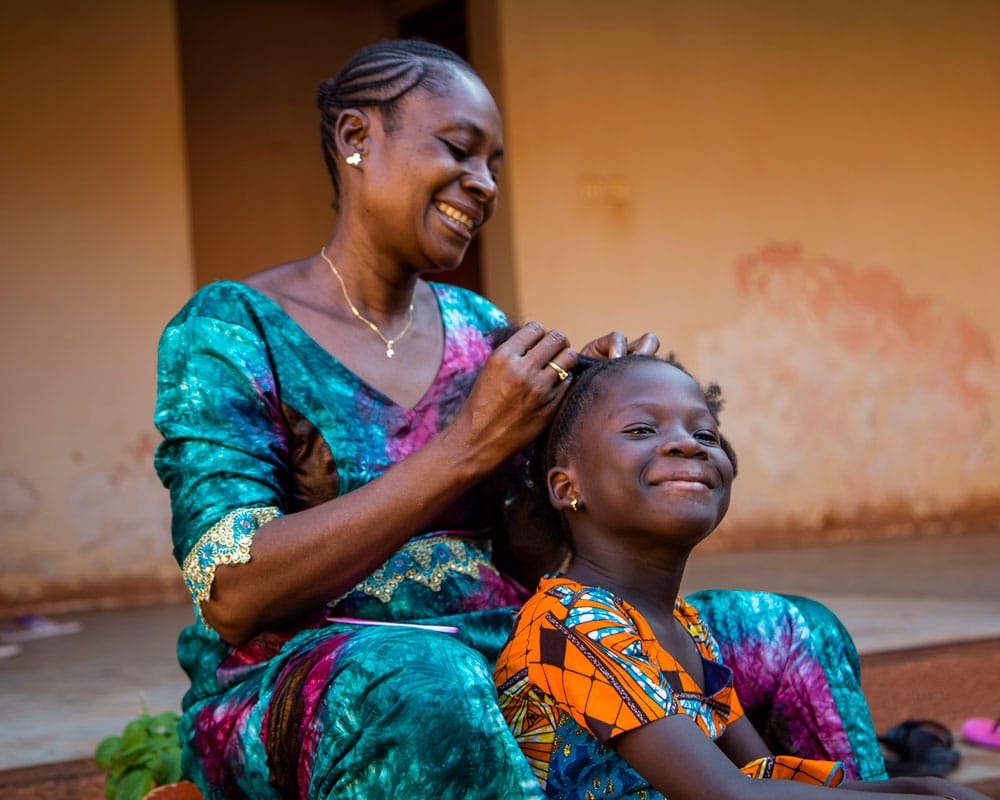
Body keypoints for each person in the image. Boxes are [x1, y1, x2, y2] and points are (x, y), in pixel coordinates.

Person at [155, 40, 879, 799]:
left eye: (495, 164)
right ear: (356, 138)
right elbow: (230, 592)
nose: (484, 183)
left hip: (508, 648)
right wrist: (465, 448)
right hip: (318, 679)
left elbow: (537, 559)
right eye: (460, 150)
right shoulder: (234, 330)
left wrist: (588, 422)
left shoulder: (481, 330)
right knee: (428, 685)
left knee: (789, 631)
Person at [493, 353, 985, 800]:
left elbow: (757, 773)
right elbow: (730, 795)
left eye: (706, 435)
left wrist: (917, 787)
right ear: (567, 486)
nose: (687, 443)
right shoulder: (571, 623)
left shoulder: (681, 624)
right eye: (642, 429)